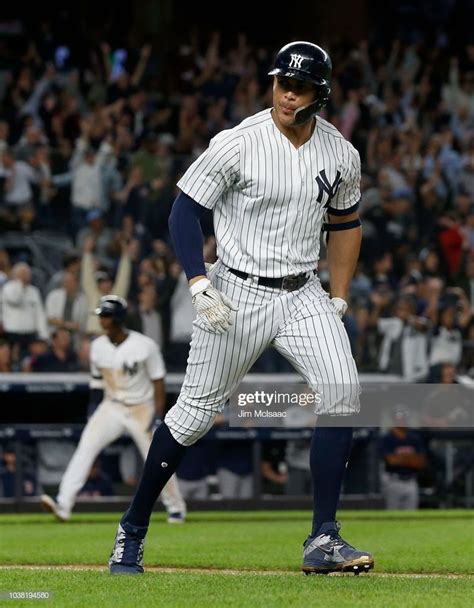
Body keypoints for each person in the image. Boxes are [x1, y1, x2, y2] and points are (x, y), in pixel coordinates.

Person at [109, 41, 374, 576]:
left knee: (344, 390)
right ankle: (131, 530)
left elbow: (345, 225)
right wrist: (198, 280)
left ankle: (323, 538)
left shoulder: (341, 153)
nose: (286, 92)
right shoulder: (238, 142)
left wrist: (339, 293)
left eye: (298, 86)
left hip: (303, 292)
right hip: (235, 292)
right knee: (191, 418)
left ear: (320, 95)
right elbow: (184, 212)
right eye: (281, 82)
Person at [40, 295, 186, 523]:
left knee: (158, 457)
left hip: (141, 407)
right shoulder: (97, 347)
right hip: (112, 405)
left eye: (106, 315)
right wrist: (92, 411)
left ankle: (176, 507)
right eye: (101, 315)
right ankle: (63, 504)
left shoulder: (144, 345)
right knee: (85, 447)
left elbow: (159, 382)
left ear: (118, 318)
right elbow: (97, 383)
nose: (102, 320)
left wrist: (158, 416)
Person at [379, 407, 427, 510]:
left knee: (411, 517)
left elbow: (420, 462)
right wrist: (410, 458)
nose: (401, 421)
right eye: (398, 419)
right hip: (393, 481)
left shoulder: (414, 438)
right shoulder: (387, 438)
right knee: (392, 516)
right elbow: (391, 461)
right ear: (394, 419)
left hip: (411, 481)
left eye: (403, 419)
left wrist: (401, 458)